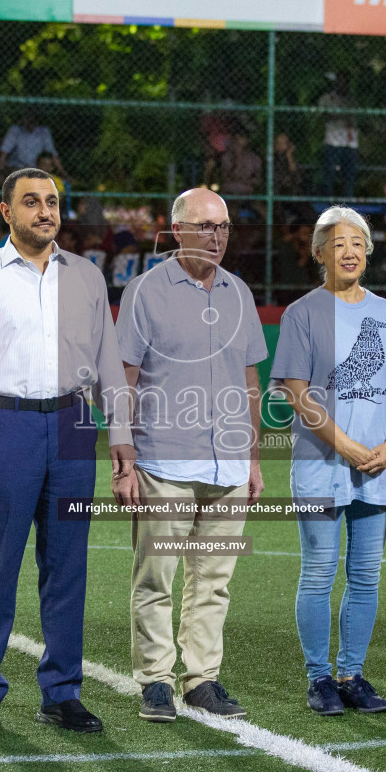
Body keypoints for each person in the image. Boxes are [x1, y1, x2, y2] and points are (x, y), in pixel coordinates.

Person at [0, 168, 135, 739]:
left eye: (51, 202)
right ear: (6, 212)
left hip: (73, 423)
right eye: (31, 202)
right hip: (2, 424)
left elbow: (109, 363)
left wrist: (121, 434)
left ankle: (61, 693)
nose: (45, 211)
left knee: (68, 566)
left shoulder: (88, 277)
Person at [116, 188, 267, 722]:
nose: (217, 236)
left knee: (214, 580)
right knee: (155, 578)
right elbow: (123, 379)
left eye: (224, 226)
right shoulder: (144, 291)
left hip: (228, 464)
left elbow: (250, 382)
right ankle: (155, 680)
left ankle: (202, 678)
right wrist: (124, 458)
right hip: (163, 460)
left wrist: (252, 460)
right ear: (176, 230)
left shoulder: (239, 293)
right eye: (205, 226)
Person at [273, 206, 386, 717]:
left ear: (368, 252)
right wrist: (344, 444)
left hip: (378, 462)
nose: (349, 251)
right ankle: (319, 678)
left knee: (367, 575)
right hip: (321, 464)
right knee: (319, 572)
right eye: (338, 243)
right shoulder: (302, 313)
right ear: (319, 253)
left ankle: (351, 673)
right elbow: (295, 393)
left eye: (358, 243)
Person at [317, 74, 359, 199]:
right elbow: (324, 115)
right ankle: (327, 199)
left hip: (350, 142)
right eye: (339, 82)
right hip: (333, 141)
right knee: (330, 171)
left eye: (345, 82)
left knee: (349, 173)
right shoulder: (327, 99)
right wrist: (341, 117)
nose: (342, 85)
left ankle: (348, 199)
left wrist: (342, 117)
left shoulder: (353, 101)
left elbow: (356, 119)